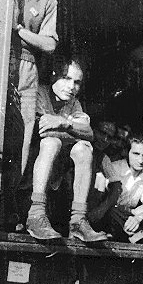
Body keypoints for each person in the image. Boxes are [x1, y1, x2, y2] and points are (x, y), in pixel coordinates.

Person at [25, 58, 107, 242]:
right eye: (66, 78)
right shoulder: (40, 93)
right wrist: (73, 130)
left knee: (84, 148)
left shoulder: (73, 103)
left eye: (77, 82)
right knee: (51, 142)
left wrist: (64, 122)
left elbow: (89, 133)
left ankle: (78, 219)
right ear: (54, 76)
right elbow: (43, 131)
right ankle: (36, 214)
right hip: (31, 169)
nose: (72, 86)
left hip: (59, 170)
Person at [13, 0, 59, 181]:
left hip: (28, 69)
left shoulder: (49, 2)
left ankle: (10, 206)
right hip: (5, 62)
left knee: (23, 133)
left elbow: (49, 44)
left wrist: (21, 31)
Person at [89, 135, 143, 243]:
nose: (140, 160)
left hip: (129, 216)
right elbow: (101, 202)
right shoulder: (114, 167)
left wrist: (137, 218)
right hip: (109, 214)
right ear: (127, 153)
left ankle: (130, 234)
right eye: (136, 154)